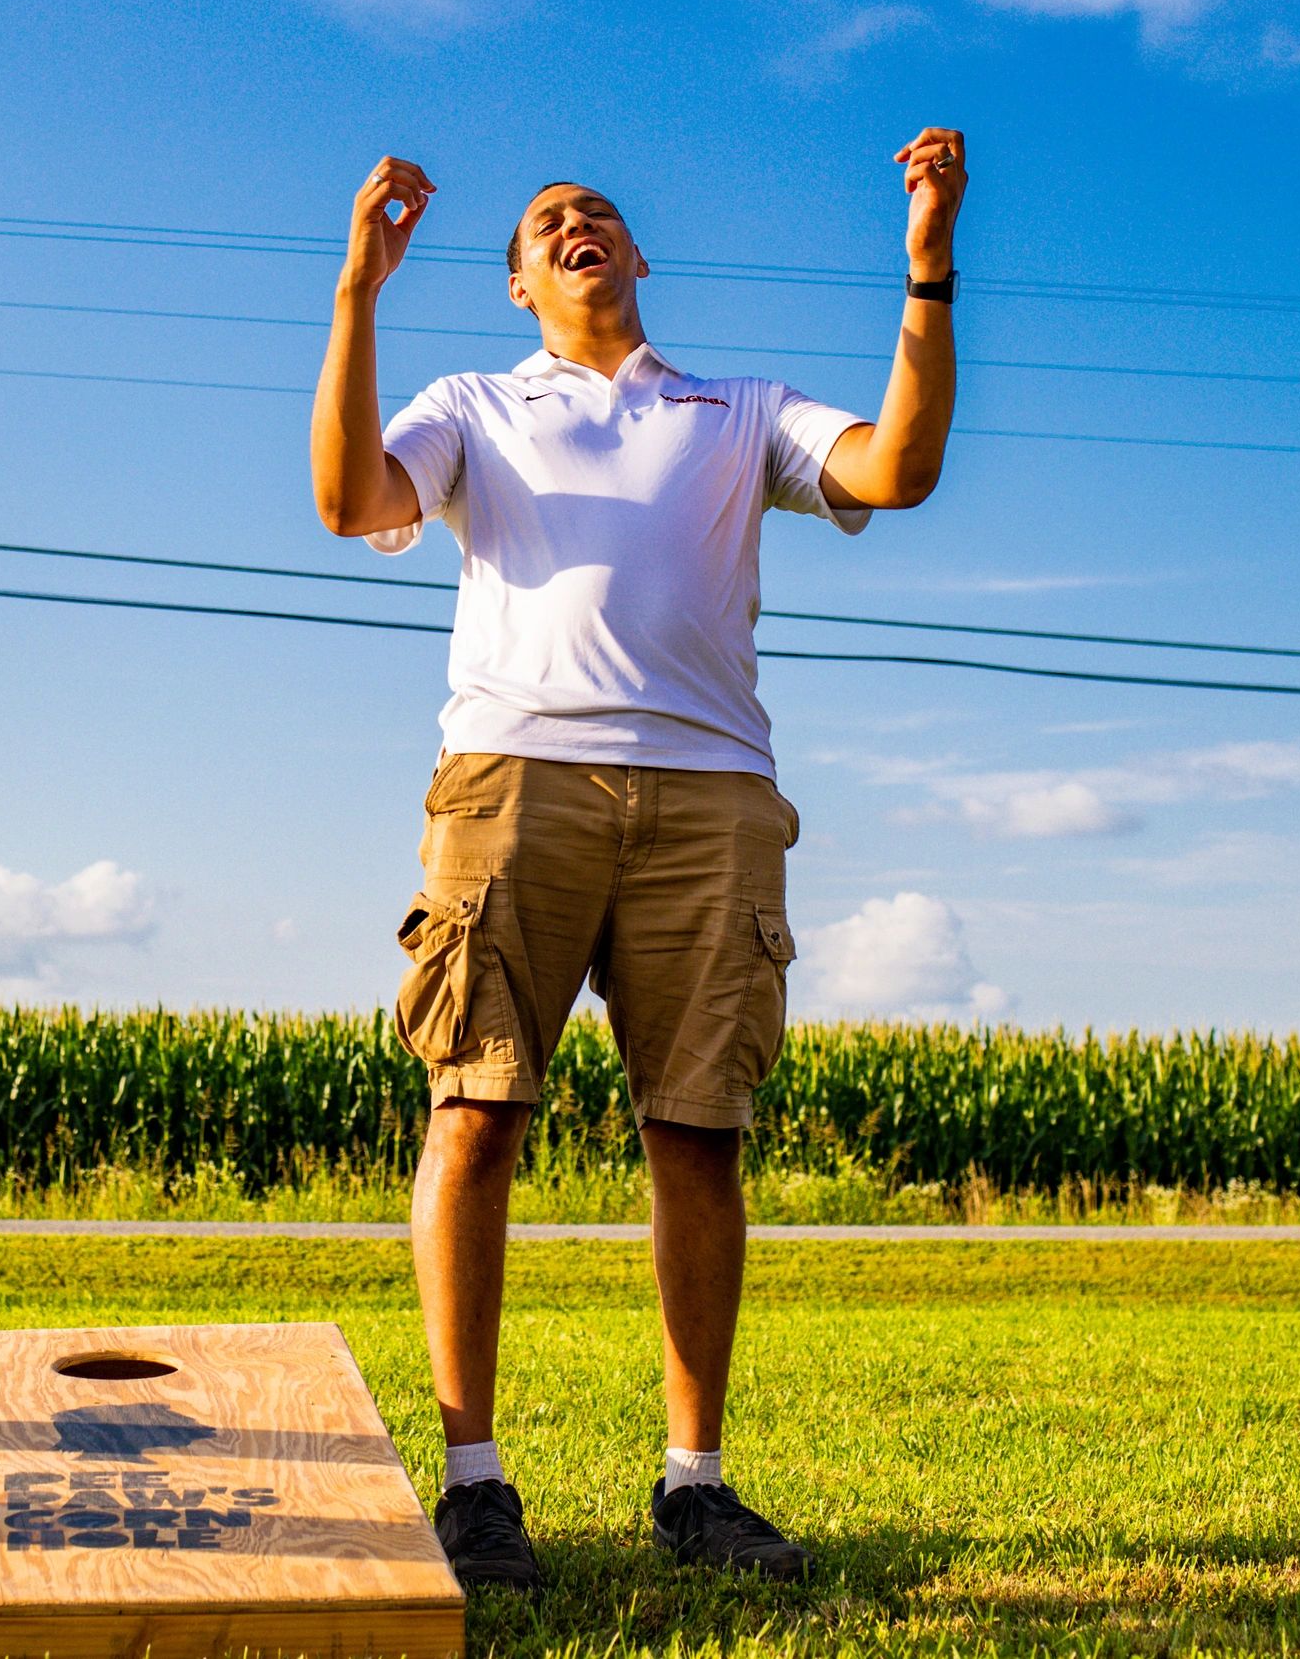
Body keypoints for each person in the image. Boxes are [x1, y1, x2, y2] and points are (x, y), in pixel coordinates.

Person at [310, 130, 966, 1590]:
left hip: (712, 795)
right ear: (516, 284)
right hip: (511, 783)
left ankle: (696, 1485)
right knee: (475, 1111)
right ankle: (476, 1484)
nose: (575, 223)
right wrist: (359, 289)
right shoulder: (473, 401)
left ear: (638, 259)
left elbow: (900, 470)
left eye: (597, 211)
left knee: (698, 1130)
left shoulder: (739, 411)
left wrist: (925, 268)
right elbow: (355, 502)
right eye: (547, 222)